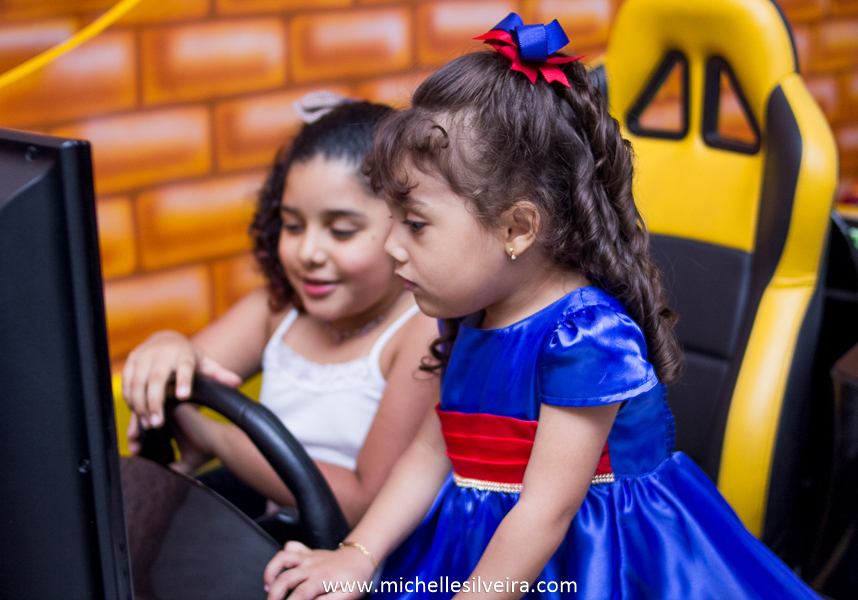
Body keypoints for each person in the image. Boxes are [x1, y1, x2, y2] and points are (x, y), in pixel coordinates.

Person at [262, 14, 821, 600]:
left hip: (588, 560)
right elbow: (433, 449)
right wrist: (358, 555)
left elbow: (545, 514)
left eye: (416, 224)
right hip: (481, 545)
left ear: (517, 227)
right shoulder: (469, 315)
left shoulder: (586, 337)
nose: (391, 245)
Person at [122, 97, 440, 527]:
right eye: (292, 225)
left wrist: (214, 437)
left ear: (405, 224)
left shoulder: (420, 331)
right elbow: (182, 373)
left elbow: (362, 501)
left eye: (341, 231)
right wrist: (167, 345)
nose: (308, 252)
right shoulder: (279, 310)